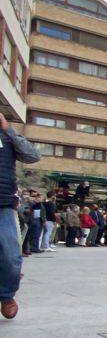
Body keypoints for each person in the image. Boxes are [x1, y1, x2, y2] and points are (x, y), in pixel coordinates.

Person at [0, 113, 41, 318]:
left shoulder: (6, 136)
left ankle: (6, 295)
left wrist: (8, 129)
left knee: (11, 255)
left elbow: (33, 155)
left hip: (3, 205)